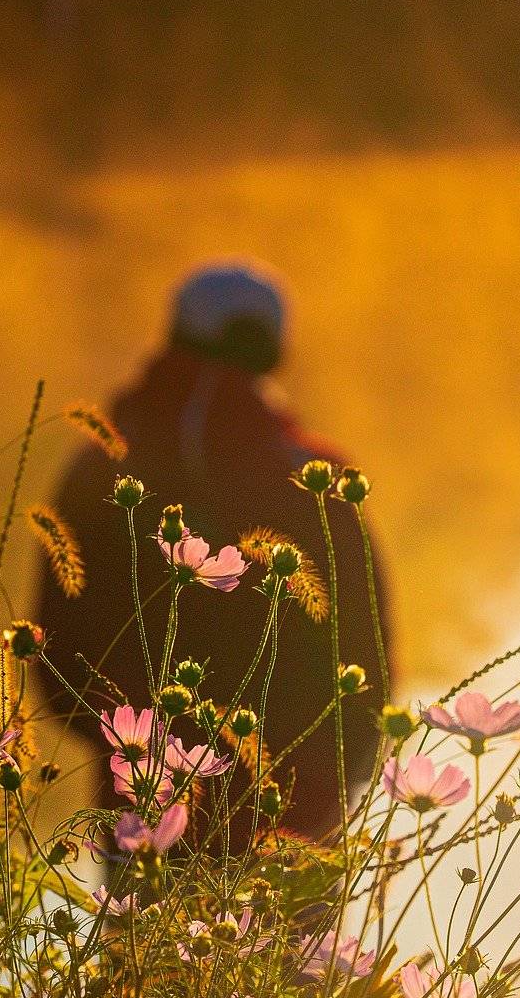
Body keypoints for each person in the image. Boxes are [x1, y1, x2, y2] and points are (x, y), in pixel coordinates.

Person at [35, 261, 394, 848]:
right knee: (292, 945)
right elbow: (366, 649)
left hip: (142, 801)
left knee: (141, 940)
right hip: (293, 816)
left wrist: (128, 746)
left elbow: (58, 650)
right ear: (273, 352)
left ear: (174, 336)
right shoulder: (314, 478)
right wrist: (342, 777)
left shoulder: (98, 467)